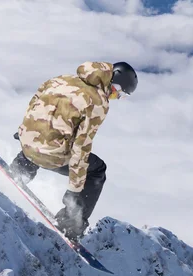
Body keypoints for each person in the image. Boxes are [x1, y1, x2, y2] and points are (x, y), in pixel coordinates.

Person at [9, 61, 138, 241]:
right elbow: (81, 146)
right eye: (118, 93)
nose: (114, 97)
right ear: (112, 82)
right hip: (51, 156)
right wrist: (74, 190)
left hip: (28, 145)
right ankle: (71, 223)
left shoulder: (60, 79)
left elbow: (35, 103)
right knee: (97, 170)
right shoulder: (98, 102)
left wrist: (24, 133)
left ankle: (20, 170)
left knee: (45, 141)